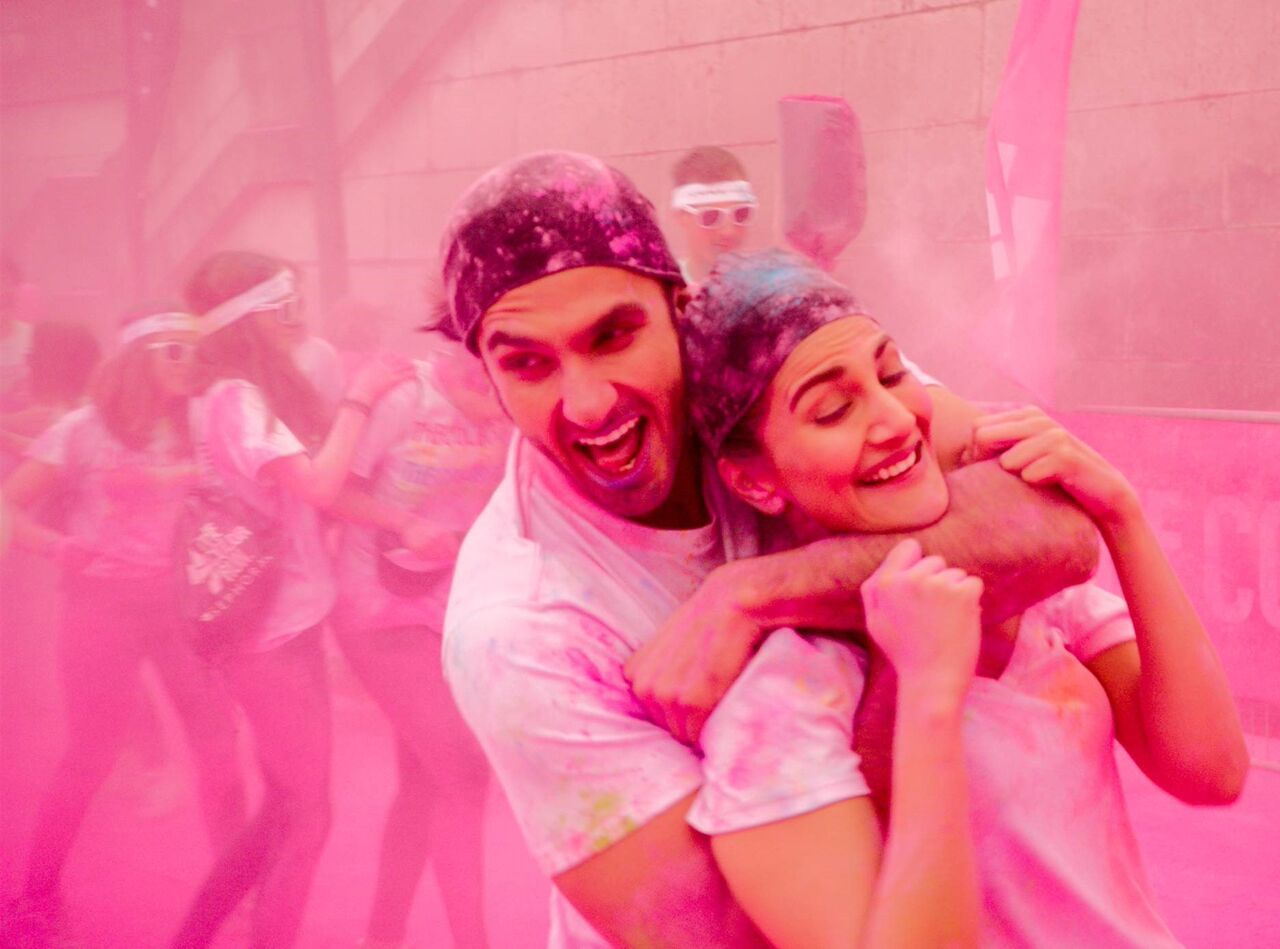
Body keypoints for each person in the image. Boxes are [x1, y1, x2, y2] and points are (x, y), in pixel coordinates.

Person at [436, 150, 1099, 946]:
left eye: (613, 336)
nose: (587, 402)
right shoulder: (515, 632)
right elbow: (726, 932)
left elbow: (1056, 524)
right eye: (527, 363)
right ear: (487, 378)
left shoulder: (773, 363)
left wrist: (755, 592)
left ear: (680, 308)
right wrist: (904, 678)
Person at [672, 249, 1249, 947]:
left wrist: (1122, 515)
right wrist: (925, 693)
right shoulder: (782, 706)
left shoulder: (1024, 582)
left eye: (891, 374)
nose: (895, 419)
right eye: (833, 410)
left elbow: (1211, 771)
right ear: (754, 482)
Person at [170, 250, 411, 949]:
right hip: (267, 638)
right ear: (250, 318)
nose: (297, 319)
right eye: (286, 306)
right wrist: (361, 398)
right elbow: (321, 487)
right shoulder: (234, 399)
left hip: (280, 626)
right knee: (309, 818)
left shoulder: (241, 391)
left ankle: (190, 938)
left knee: (281, 809)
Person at [2, 305, 246, 931]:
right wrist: (56, 547)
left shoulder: (201, 423)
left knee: (218, 746)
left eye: (195, 351)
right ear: (140, 358)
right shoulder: (81, 430)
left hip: (180, 607)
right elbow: (8, 505)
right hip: (101, 606)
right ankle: (38, 897)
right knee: (90, 754)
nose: (190, 364)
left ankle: (236, 892)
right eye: (174, 351)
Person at [328, 332, 510, 949]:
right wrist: (403, 521)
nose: (500, 399)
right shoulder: (406, 398)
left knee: (424, 783)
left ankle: (382, 935)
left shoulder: (513, 404)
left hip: (451, 612)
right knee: (463, 769)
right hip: (377, 613)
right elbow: (331, 492)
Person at [668, 146, 757, 287]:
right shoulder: (666, 291)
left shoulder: (767, 291)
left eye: (740, 213)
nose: (728, 231)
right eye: (711, 216)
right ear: (682, 216)